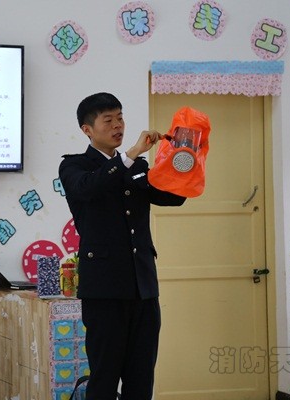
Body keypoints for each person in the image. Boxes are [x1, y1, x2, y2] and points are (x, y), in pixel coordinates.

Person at [58, 92, 186, 399]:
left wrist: (182, 157)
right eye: (108, 120)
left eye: (120, 118)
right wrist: (129, 156)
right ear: (87, 129)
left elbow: (173, 198)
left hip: (143, 288)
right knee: (104, 378)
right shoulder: (75, 167)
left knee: (141, 378)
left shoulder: (138, 166)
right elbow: (89, 187)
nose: (118, 125)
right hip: (104, 291)